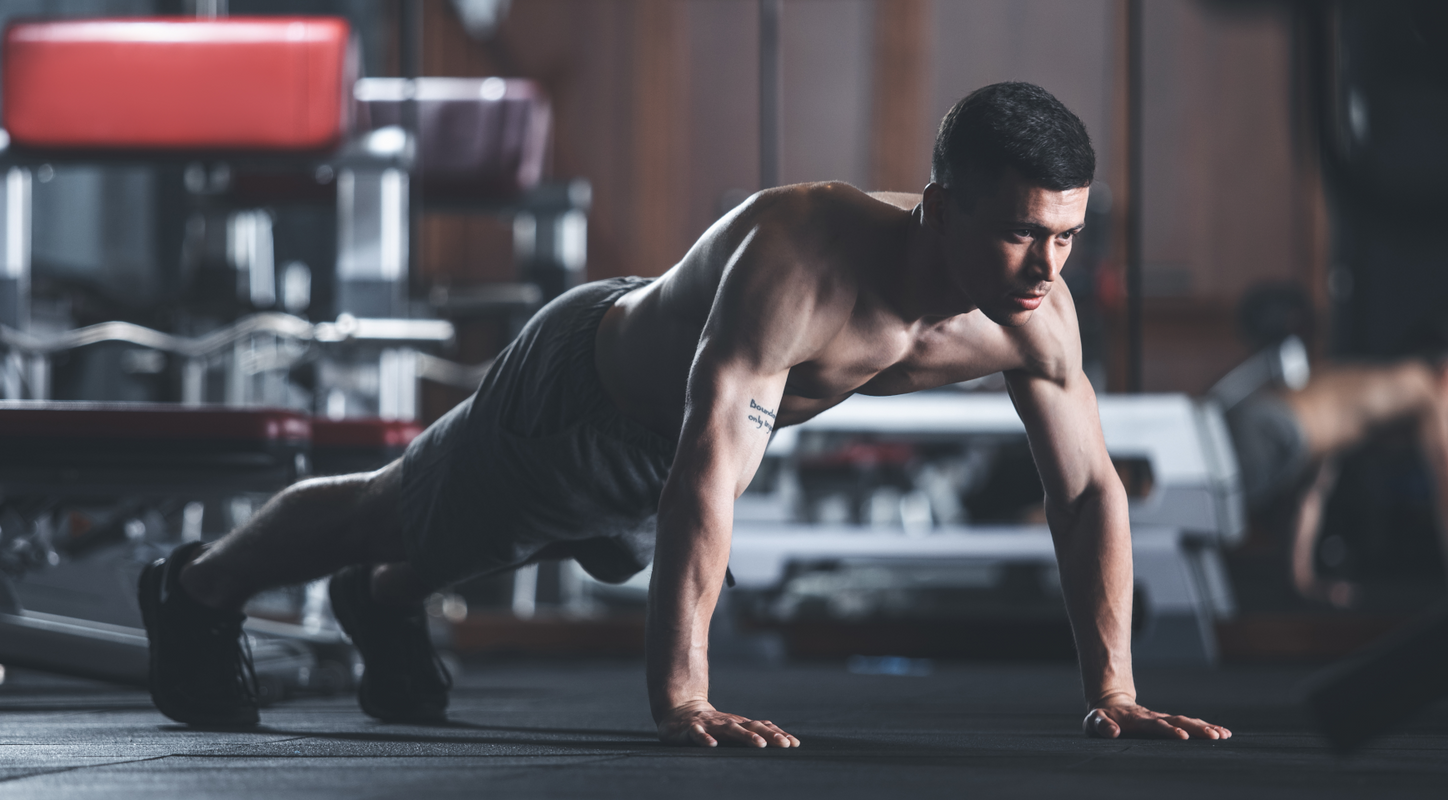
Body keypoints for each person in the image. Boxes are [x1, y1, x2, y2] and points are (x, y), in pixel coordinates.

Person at [138, 81, 1231, 746]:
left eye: (1066, 235)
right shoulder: (798, 258)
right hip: (584, 397)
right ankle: (194, 587)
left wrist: (1116, 687)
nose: (1046, 264)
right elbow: (707, 471)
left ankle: (381, 604)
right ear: (940, 207)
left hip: (648, 448)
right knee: (405, 508)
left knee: (490, 533)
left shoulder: (1031, 312)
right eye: (1020, 232)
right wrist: (683, 697)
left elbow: (1085, 488)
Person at [1221, 285, 1448, 608]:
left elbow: (1310, 496)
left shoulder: (1353, 398)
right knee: (1191, 521)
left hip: (1259, 420)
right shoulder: (1425, 387)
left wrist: (1301, 582)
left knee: (1200, 519)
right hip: (1277, 432)